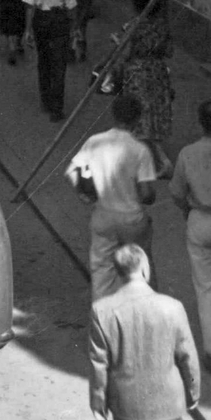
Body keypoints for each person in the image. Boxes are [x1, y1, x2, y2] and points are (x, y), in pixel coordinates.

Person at [89, 243, 199, 420]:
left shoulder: (102, 311)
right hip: (167, 405)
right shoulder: (173, 307)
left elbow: (98, 363)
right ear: (145, 269)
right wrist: (192, 393)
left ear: (118, 273)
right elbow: (187, 357)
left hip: (126, 406)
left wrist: (98, 402)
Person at [67, 94, 158, 300]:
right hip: (132, 220)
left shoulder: (94, 141)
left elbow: (72, 171)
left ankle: (102, 314)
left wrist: (84, 195)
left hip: (103, 216)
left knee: (102, 270)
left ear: (113, 115)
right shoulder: (140, 150)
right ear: (137, 118)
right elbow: (146, 194)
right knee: (139, 270)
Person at [170, 99, 211, 371]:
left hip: (201, 219)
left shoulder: (188, 153)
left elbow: (176, 192)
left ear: (200, 123)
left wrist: (188, 210)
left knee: (206, 286)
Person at [120, 0, 175, 180]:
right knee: (154, 113)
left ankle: (157, 161)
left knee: (139, 116)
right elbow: (169, 52)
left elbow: (125, 53)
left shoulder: (133, 26)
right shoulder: (162, 27)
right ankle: (154, 160)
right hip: (158, 72)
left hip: (137, 73)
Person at [23, 0, 77, 121]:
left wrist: (28, 30)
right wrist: (74, 27)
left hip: (40, 19)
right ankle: (57, 107)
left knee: (43, 60)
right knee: (59, 64)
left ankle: (46, 100)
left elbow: (30, 4)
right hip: (59, 19)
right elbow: (70, 2)